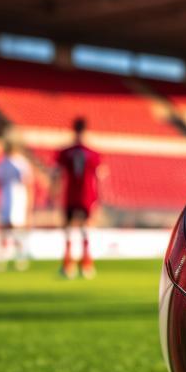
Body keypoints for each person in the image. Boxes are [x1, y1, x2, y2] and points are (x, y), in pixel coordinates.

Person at [50, 117, 105, 279]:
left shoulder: (65, 152)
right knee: (84, 228)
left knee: (69, 229)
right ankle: (86, 266)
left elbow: (57, 174)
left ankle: (69, 266)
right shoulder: (93, 153)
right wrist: (98, 199)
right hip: (87, 195)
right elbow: (99, 176)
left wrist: (53, 194)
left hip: (71, 195)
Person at [0, 141, 34, 272]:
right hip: (6, 199)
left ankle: (20, 257)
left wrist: (29, 207)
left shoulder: (21, 164)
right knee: (5, 229)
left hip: (18, 199)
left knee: (17, 229)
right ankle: (3, 257)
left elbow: (29, 184)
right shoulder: (2, 163)